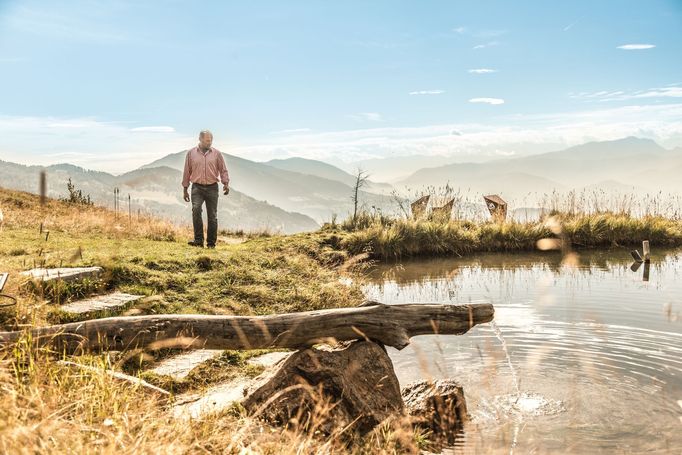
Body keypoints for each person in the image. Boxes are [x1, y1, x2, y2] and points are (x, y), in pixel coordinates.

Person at [181, 130, 230, 248]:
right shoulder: (191, 153)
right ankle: (198, 241)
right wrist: (185, 189)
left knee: (212, 215)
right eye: (207, 140)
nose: (210, 142)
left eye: (211, 140)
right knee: (196, 210)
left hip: (212, 187)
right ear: (200, 139)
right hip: (197, 187)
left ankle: (211, 244)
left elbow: (223, 169)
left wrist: (225, 183)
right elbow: (187, 171)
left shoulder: (217, 154)